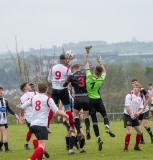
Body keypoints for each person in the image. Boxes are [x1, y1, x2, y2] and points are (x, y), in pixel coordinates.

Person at [20, 82, 69, 160]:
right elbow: (57, 111)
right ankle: (31, 159)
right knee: (43, 146)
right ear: (47, 89)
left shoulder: (33, 97)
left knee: (39, 145)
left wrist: (22, 116)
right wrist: (66, 115)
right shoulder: (48, 99)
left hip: (33, 124)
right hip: (41, 125)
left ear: (38, 89)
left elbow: (22, 107)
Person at [84, 46, 115, 151]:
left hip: (90, 100)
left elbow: (86, 64)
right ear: (100, 73)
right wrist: (101, 63)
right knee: (105, 115)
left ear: (94, 70)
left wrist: (87, 53)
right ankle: (106, 126)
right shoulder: (101, 79)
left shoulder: (88, 76)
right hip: (98, 99)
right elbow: (104, 72)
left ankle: (98, 138)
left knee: (94, 121)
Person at [63, 64, 91, 140]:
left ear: (73, 69)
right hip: (86, 97)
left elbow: (64, 84)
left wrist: (70, 84)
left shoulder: (72, 76)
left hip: (78, 97)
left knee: (76, 115)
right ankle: (88, 129)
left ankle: (78, 132)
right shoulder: (85, 75)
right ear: (79, 68)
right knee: (86, 116)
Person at [48, 54, 74, 130]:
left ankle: (47, 126)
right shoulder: (67, 69)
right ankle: (72, 126)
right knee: (67, 109)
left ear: (59, 60)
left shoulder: (52, 68)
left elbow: (49, 80)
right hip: (63, 90)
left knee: (52, 108)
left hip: (54, 90)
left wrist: (55, 83)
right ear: (65, 61)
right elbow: (70, 80)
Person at [131, 79, 153, 144]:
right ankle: (142, 140)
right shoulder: (132, 92)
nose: (134, 84)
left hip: (145, 109)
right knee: (138, 126)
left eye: (135, 82)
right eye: (132, 83)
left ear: (137, 83)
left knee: (145, 125)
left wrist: (145, 105)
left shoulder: (142, 90)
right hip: (138, 111)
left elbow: (149, 97)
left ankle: (152, 137)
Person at [124, 82, 144, 151]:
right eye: (134, 87)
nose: (135, 88)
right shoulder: (129, 96)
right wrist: (131, 115)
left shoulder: (140, 98)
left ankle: (136, 147)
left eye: (137, 87)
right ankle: (125, 148)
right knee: (129, 131)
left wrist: (138, 112)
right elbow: (127, 107)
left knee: (140, 132)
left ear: (139, 89)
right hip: (127, 115)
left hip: (134, 117)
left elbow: (142, 108)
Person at [0, 86, 19, 152]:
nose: (1, 92)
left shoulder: (5, 100)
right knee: (5, 133)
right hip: (0, 121)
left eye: (2, 90)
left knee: (3, 135)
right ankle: (7, 149)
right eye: (0, 91)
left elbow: (8, 109)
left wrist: (15, 114)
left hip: (4, 120)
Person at [20, 82, 38, 150]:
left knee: (34, 135)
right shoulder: (35, 93)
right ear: (25, 88)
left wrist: (22, 116)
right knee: (39, 136)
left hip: (29, 118)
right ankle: (39, 152)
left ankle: (38, 151)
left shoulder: (22, 98)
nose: (30, 86)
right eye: (28, 85)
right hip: (37, 117)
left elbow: (22, 108)